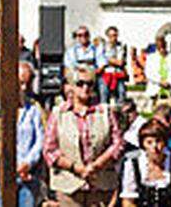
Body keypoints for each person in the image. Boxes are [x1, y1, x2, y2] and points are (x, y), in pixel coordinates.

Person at [43, 67, 124, 206]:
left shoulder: (105, 112)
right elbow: (49, 150)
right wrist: (75, 168)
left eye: (90, 84)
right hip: (69, 187)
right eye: (80, 84)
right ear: (70, 87)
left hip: (101, 185)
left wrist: (97, 164)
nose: (85, 88)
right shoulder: (58, 113)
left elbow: (118, 144)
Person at [119, 118, 171, 207]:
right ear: (143, 144)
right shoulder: (133, 165)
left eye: (158, 141)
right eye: (149, 142)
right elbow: (128, 202)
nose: (154, 147)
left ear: (165, 142)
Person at [14, 61, 45, 207]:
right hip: (3, 175)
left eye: (27, 83)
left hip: (27, 172)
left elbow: (40, 140)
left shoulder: (33, 109)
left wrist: (28, 162)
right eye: (20, 83)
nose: (24, 88)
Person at [100, 27, 128, 104]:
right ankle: (105, 112)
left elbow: (121, 61)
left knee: (121, 92)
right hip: (106, 73)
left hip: (118, 73)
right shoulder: (103, 46)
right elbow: (102, 59)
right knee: (104, 93)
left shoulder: (121, 46)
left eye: (115, 35)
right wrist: (111, 61)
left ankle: (120, 112)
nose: (113, 38)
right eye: (111, 36)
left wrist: (110, 60)